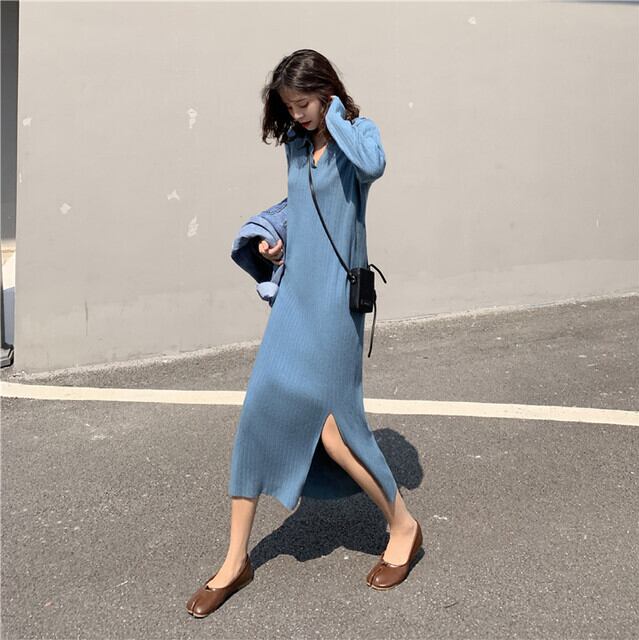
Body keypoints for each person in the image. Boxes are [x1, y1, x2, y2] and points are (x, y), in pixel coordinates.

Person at [186, 49, 423, 619]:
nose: (297, 115)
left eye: (304, 104)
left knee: (338, 431)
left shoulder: (356, 135)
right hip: (295, 300)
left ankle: (403, 526)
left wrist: (337, 116)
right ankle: (235, 561)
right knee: (258, 412)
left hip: (336, 306)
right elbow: (302, 207)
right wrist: (275, 241)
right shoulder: (296, 145)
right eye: (289, 107)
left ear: (326, 92)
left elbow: (373, 167)